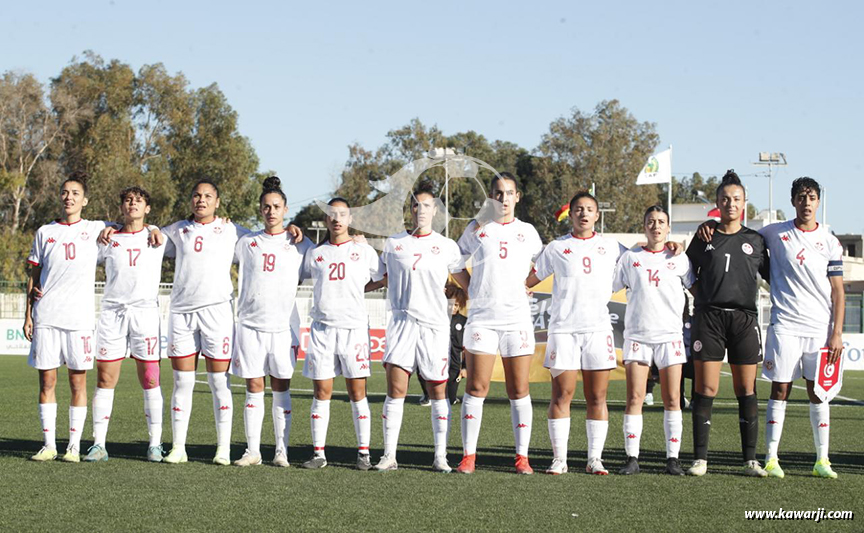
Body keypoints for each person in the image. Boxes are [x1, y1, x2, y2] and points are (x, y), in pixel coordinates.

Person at [100, 179, 302, 465]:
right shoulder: (175, 230)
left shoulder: (234, 232)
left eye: (208, 196)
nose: (201, 200)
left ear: (217, 202)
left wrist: (292, 229)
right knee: (182, 382)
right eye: (196, 195)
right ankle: (178, 447)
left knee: (220, 382)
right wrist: (109, 226)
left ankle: (223, 449)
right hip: (181, 314)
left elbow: (269, 236)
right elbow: (137, 230)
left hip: (217, 314)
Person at [702, 177, 845, 478]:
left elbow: (838, 292)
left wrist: (836, 333)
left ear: (818, 202)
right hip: (785, 325)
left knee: (819, 393)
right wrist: (710, 227)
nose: (806, 202)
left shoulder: (830, 241)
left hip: (820, 330)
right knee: (780, 389)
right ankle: (771, 458)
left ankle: (822, 460)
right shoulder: (774, 232)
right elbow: (737, 232)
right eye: (801, 197)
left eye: (812, 197)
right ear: (792, 201)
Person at [24, 172, 160, 462]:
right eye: (65, 192)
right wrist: (28, 314)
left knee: (79, 383)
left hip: (81, 319)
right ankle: (51, 445)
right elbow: (33, 276)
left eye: (75, 193)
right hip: (47, 315)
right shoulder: (46, 232)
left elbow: (134, 226)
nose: (69, 196)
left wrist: (154, 227)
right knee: (47, 382)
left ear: (85, 200)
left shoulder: (98, 228)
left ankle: (74, 447)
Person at [526, 191, 627, 475]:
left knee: (598, 396)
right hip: (564, 331)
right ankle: (560, 459)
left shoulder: (613, 247)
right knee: (562, 394)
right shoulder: (557, 247)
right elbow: (530, 279)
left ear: (597, 215)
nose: (584, 214)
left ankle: (595, 458)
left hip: (597, 329)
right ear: (570, 215)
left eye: (589, 209)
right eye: (579, 209)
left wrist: (671, 247)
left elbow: (643, 261)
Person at [373, 183, 469, 472]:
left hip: (435, 327)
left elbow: (468, 283)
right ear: (410, 209)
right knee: (396, 389)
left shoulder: (447, 246)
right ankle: (389, 455)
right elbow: (380, 278)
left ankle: (440, 456)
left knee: (439, 390)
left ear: (435, 210)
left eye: (427, 205)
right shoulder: (394, 244)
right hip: (402, 324)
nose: (421, 210)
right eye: (416, 205)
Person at [456, 172, 543, 475]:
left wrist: (530, 283)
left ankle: (522, 458)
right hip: (482, 320)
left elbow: (543, 265)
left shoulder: (529, 232)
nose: (503, 198)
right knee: (476, 386)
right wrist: (469, 287)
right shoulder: (476, 229)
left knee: (518, 389)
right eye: (497, 193)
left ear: (517, 197)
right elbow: (455, 261)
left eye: (509, 193)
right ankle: (469, 456)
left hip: (517, 320)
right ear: (490, 197)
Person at [685, 170, 770, 477]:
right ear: (717, 203)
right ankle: (700, 459)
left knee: (745, 388)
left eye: (736, 199)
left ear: (744, 203)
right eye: (724, 199)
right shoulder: (704, 235)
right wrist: (702, 295)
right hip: (709, 319)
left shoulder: (756, 240)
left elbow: (774, 278)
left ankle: (749, 460)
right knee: (706, 387)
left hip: (744, 320)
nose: (730, 204)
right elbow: (685, 272)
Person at [231, 177, 314, 467]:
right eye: (266, 207)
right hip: (250, 326)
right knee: (253, 387)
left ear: (286, 209)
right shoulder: (246, 242)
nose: (271, 211)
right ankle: (252, 450)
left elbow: (328, 261)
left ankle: (281, 451)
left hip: (283, 328)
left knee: (281, 388)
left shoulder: (300, 244)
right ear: (260, 209)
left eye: (276, 206)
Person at [300, 197, 385, 471]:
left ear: (350, 219)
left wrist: (358, 291)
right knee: (321, 391)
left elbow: (383, 277)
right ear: (326, 219)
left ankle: (363, 454)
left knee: (357, 392)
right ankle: (319, 454)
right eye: (332, 214)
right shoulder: (315, 253)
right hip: (323, 329)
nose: (337, 219)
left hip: (354, 329)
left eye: (342, 214)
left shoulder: (364, 250)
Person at [84, 186, 166, 463]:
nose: (133, 204)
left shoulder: (157, 238)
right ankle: (98, 444)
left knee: (150, 379)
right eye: (128, 200)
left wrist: (153, 227)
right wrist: (107, 228)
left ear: (148, 208)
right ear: (121, 207)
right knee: (105, 379)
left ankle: (155, 444)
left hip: (145, 315)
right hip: (112, 315)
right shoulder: (107, 239)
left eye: (139, 200)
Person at [612, 206, 694, 476]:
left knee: (672, 398)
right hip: (638, 335)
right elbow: (608, 286)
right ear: (644, 226)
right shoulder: (630, 258)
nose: (656, 226)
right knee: (635, 396)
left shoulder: (679, 258)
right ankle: (632, 458)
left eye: (661, 222)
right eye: (651, 222)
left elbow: (696, 288)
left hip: (670, 336)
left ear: (668, 228)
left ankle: (673, 458)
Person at [445, 282, 468, 405]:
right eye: (451, 304)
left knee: (450, 399)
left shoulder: (464, 321)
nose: (453, 307)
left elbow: (467, 348)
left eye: (456, 305)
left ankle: (452, 397)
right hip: (439, 359)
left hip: (455, 362)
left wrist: (464, 367)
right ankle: (427, 396)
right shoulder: (439, 318)